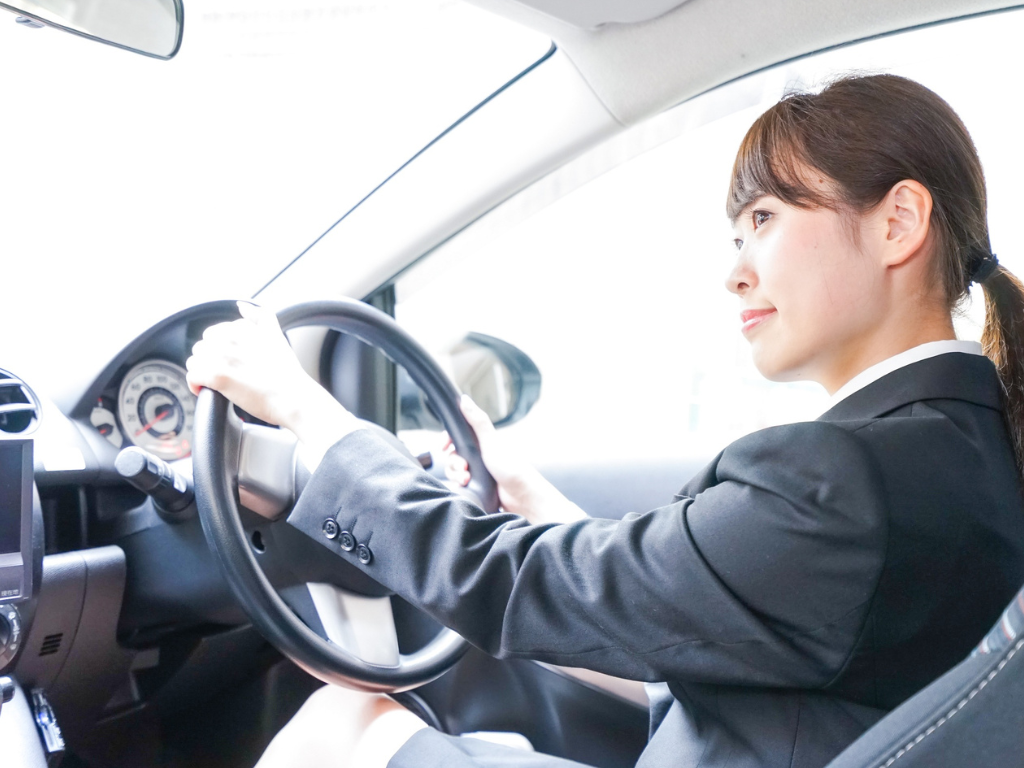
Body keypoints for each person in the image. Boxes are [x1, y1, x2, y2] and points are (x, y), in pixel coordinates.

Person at [185, 73, 1024, 768]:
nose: (735, 275)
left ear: (898, 223)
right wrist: (525, 492)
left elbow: (514, 582)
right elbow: (716, 634)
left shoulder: (843, 479)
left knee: (348, 725)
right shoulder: (967, 453)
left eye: (763, 221)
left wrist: (303, 409)